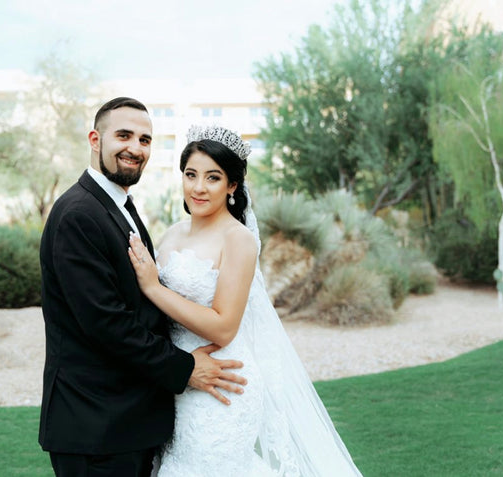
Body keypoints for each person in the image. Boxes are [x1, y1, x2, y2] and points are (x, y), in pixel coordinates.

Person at [128, 125, 364, 476]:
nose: (198, 187)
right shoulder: (172, 234)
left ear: (232, 186)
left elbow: (224, 327)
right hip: (179, 378)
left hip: (222, 384)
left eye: (213, 177)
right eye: (190, 174)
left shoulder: (237, 239)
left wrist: (153, 288)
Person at [38, 98, 247, 477]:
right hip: (96, 426)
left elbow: (140, 307)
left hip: (130, 422)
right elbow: (106, 324)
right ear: (95, 139)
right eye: (123, 135)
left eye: (145, 139)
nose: (135, 147)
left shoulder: (118, 206)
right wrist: (185, 369)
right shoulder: (79, 214)